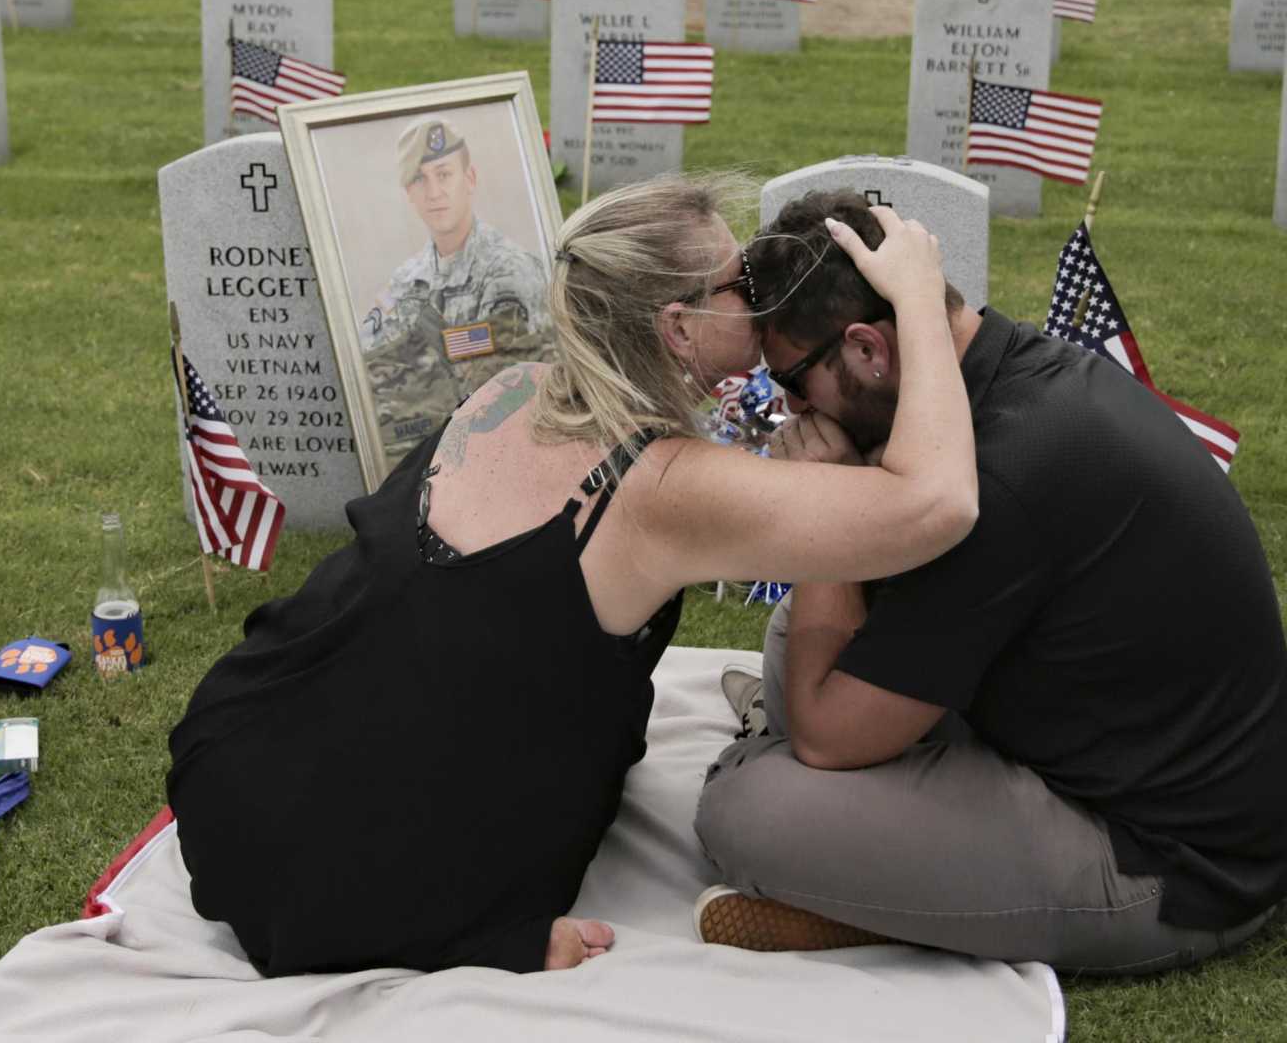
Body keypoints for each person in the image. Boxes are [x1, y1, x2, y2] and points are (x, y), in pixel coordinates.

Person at [167, 176, 979, 977]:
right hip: (344, 879)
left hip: (239, 757)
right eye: (740, 285)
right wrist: (918, 304)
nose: (762, 295)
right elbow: (935, 504)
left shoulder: (511, 386)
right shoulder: (666, 488)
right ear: (678, 327)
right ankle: (455, 930)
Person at [695, 191, 1287, 972]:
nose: (786, 408)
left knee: (745, 806)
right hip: (1105, 751)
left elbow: (826, 738)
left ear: (871, 349)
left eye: (793, 383)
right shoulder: (1001, 374)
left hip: (1169, 868)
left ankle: (899, 907)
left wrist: (826, 506)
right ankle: (909, 881)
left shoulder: (1006, 477)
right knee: (801, 636)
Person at [358, 118, 553, 466]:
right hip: (419, 451)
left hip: (503, 451)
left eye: (444, 174)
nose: (434, 192)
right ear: (409, 194)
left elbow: (506, 375)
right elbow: (368, 357)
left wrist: (424, 351)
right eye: (420, 179)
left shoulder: (509, 269)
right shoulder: (405, 278)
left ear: (470, 179)